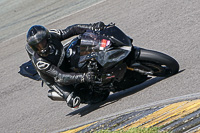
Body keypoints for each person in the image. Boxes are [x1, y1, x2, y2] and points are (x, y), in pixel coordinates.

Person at [26, 22, 105, 108]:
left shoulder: (52, 35)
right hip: (56, 79)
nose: (41, 48)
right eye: (37, 46)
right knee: (73, 100)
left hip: (62, 58)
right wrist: (84, 77)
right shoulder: (40, 62)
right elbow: (60, 76)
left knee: (79, 44)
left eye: (42, 43)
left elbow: (72, 29)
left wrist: (92, 27)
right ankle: (76, 94)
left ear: (47, 38)